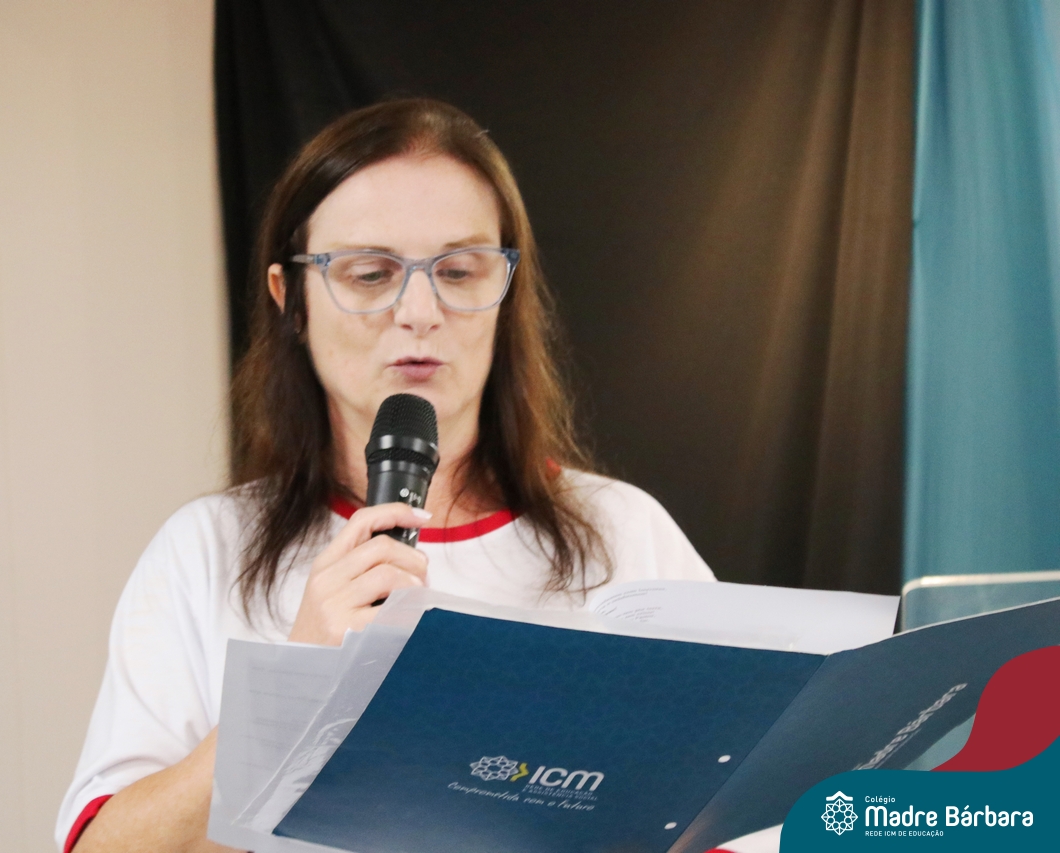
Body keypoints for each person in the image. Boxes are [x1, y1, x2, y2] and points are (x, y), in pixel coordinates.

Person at [56, 98, 714, 853]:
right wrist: (294, 685)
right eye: (370, 273)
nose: (419, 310)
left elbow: (744, 815)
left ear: (507, 291)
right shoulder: (206, 550)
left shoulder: (624, 535)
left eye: (459, 271)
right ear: (290, 299)